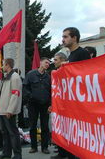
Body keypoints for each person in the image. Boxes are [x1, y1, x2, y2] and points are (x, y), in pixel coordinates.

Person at [53, 27, 91, 159]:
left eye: (65, 37)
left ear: (74, 38)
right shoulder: (71, 55)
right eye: (63, 37)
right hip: (71, 103)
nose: (63, 39)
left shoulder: (82, 54)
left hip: (80, 104)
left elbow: (85, 77)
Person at [0, 58, 22, 159]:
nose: (2, 66)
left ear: (7, 65)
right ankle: (6, 153)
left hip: (8, 110)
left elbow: (15, 94)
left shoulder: (15, 77)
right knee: (5, 133)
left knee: (13, 133)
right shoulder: (7, 77)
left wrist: (10, 110)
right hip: (2, 109)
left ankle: (17, 154)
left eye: (3, 64)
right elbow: (0, 91)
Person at [23, 57, 51, 154]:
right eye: (46, 62)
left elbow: (52, 91)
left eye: (49, 63)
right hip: (33, 104)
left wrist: (50, 104)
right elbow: (25, 87)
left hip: (45, 104)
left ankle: (44, 147)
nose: (47, 64)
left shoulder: (49, 77)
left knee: (45, 126)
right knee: (32, 126)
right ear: (40, 62)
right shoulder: (31, 74)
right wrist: (30, 97)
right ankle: (33, 147)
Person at [50, 52, 68, 159]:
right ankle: (61, 153)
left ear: (62, 60)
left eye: (56, 60)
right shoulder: (56, 72)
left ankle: (65, 153)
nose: (54, 62)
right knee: (60, 130)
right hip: (58, 106)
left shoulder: (67, 71)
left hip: (66, 107)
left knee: (66, 131)